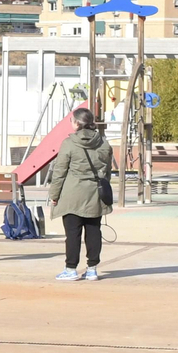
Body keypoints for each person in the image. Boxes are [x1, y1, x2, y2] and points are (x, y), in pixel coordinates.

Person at [49, 107, 113, 282]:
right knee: (93, 231)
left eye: (72, 120)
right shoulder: (103, 143)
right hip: (94, 194)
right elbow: (107, 171)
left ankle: (70, 269)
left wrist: (54, 195)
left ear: (77, 123)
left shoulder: (69, 144)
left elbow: (59, 172)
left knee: (72, 233)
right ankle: (92, 269)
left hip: (72, 194)